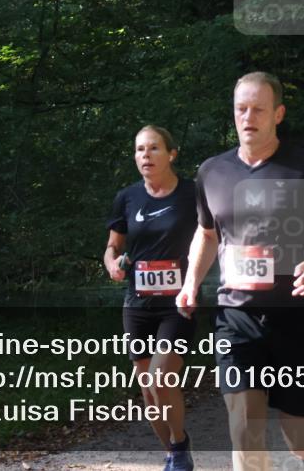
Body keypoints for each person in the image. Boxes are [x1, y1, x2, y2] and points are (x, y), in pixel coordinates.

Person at [176, 72, 304, 471]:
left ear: (278, 113)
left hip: (297, 316)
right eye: (240, 109)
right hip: (236, 316)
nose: (248, 117)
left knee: (300, 437)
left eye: (258, 109)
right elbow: (207, 234)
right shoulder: (212, 172)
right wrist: (191, 283)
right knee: (244, 427)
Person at [104, 125, 198, 471]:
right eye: (140, 150)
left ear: (172, 154)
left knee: (161, 378)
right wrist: (112, 263)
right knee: (148, 391)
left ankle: (179, 445)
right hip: (138, 304)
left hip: (178, 302)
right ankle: (175, 454)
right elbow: (113, 246)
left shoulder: (192, 194)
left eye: (154, 148)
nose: (146, 155)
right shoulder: (127, 197)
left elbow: (213, 235)